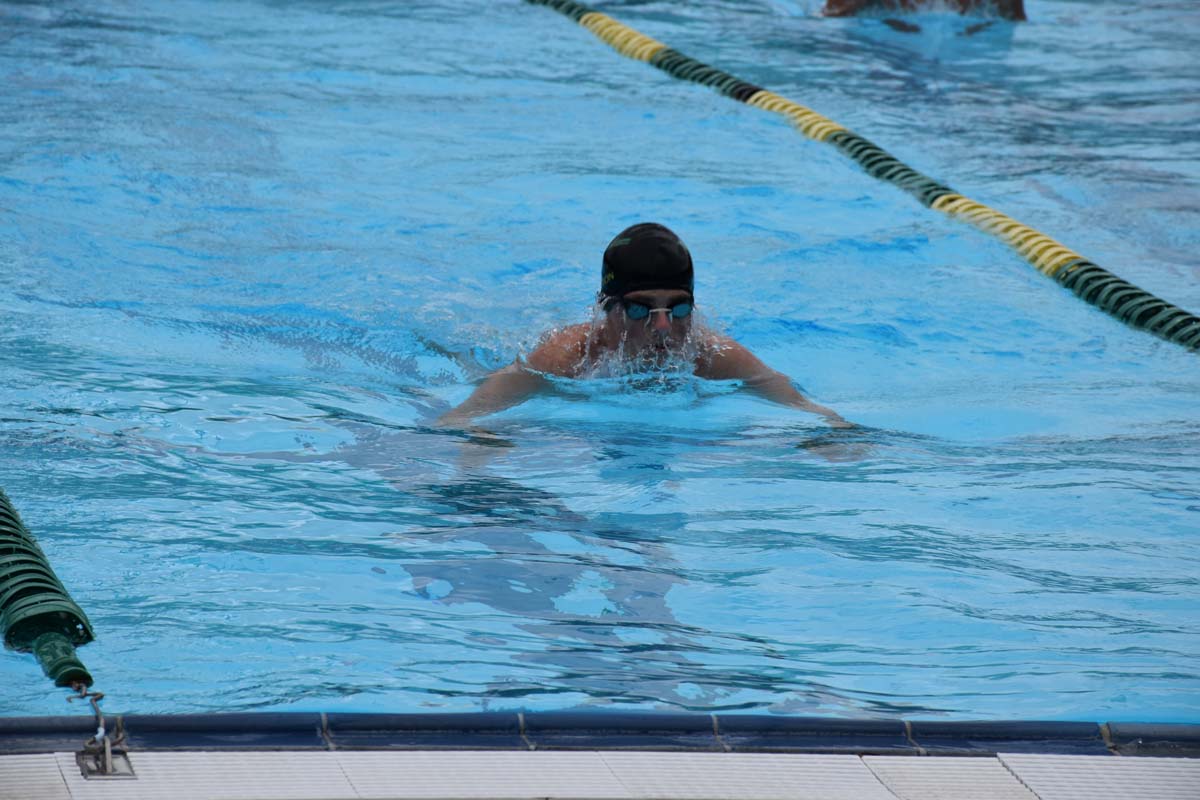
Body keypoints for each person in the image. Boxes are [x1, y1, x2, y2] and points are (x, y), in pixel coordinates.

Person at [437, 223, 851, 428]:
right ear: (607, 309)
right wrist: (481, 439)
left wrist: (831, 436)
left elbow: (809, 411)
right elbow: (459, 418)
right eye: (640, 310)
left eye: (679, 308)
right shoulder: (565, 357)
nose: (663, 328)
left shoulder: (713, 354)